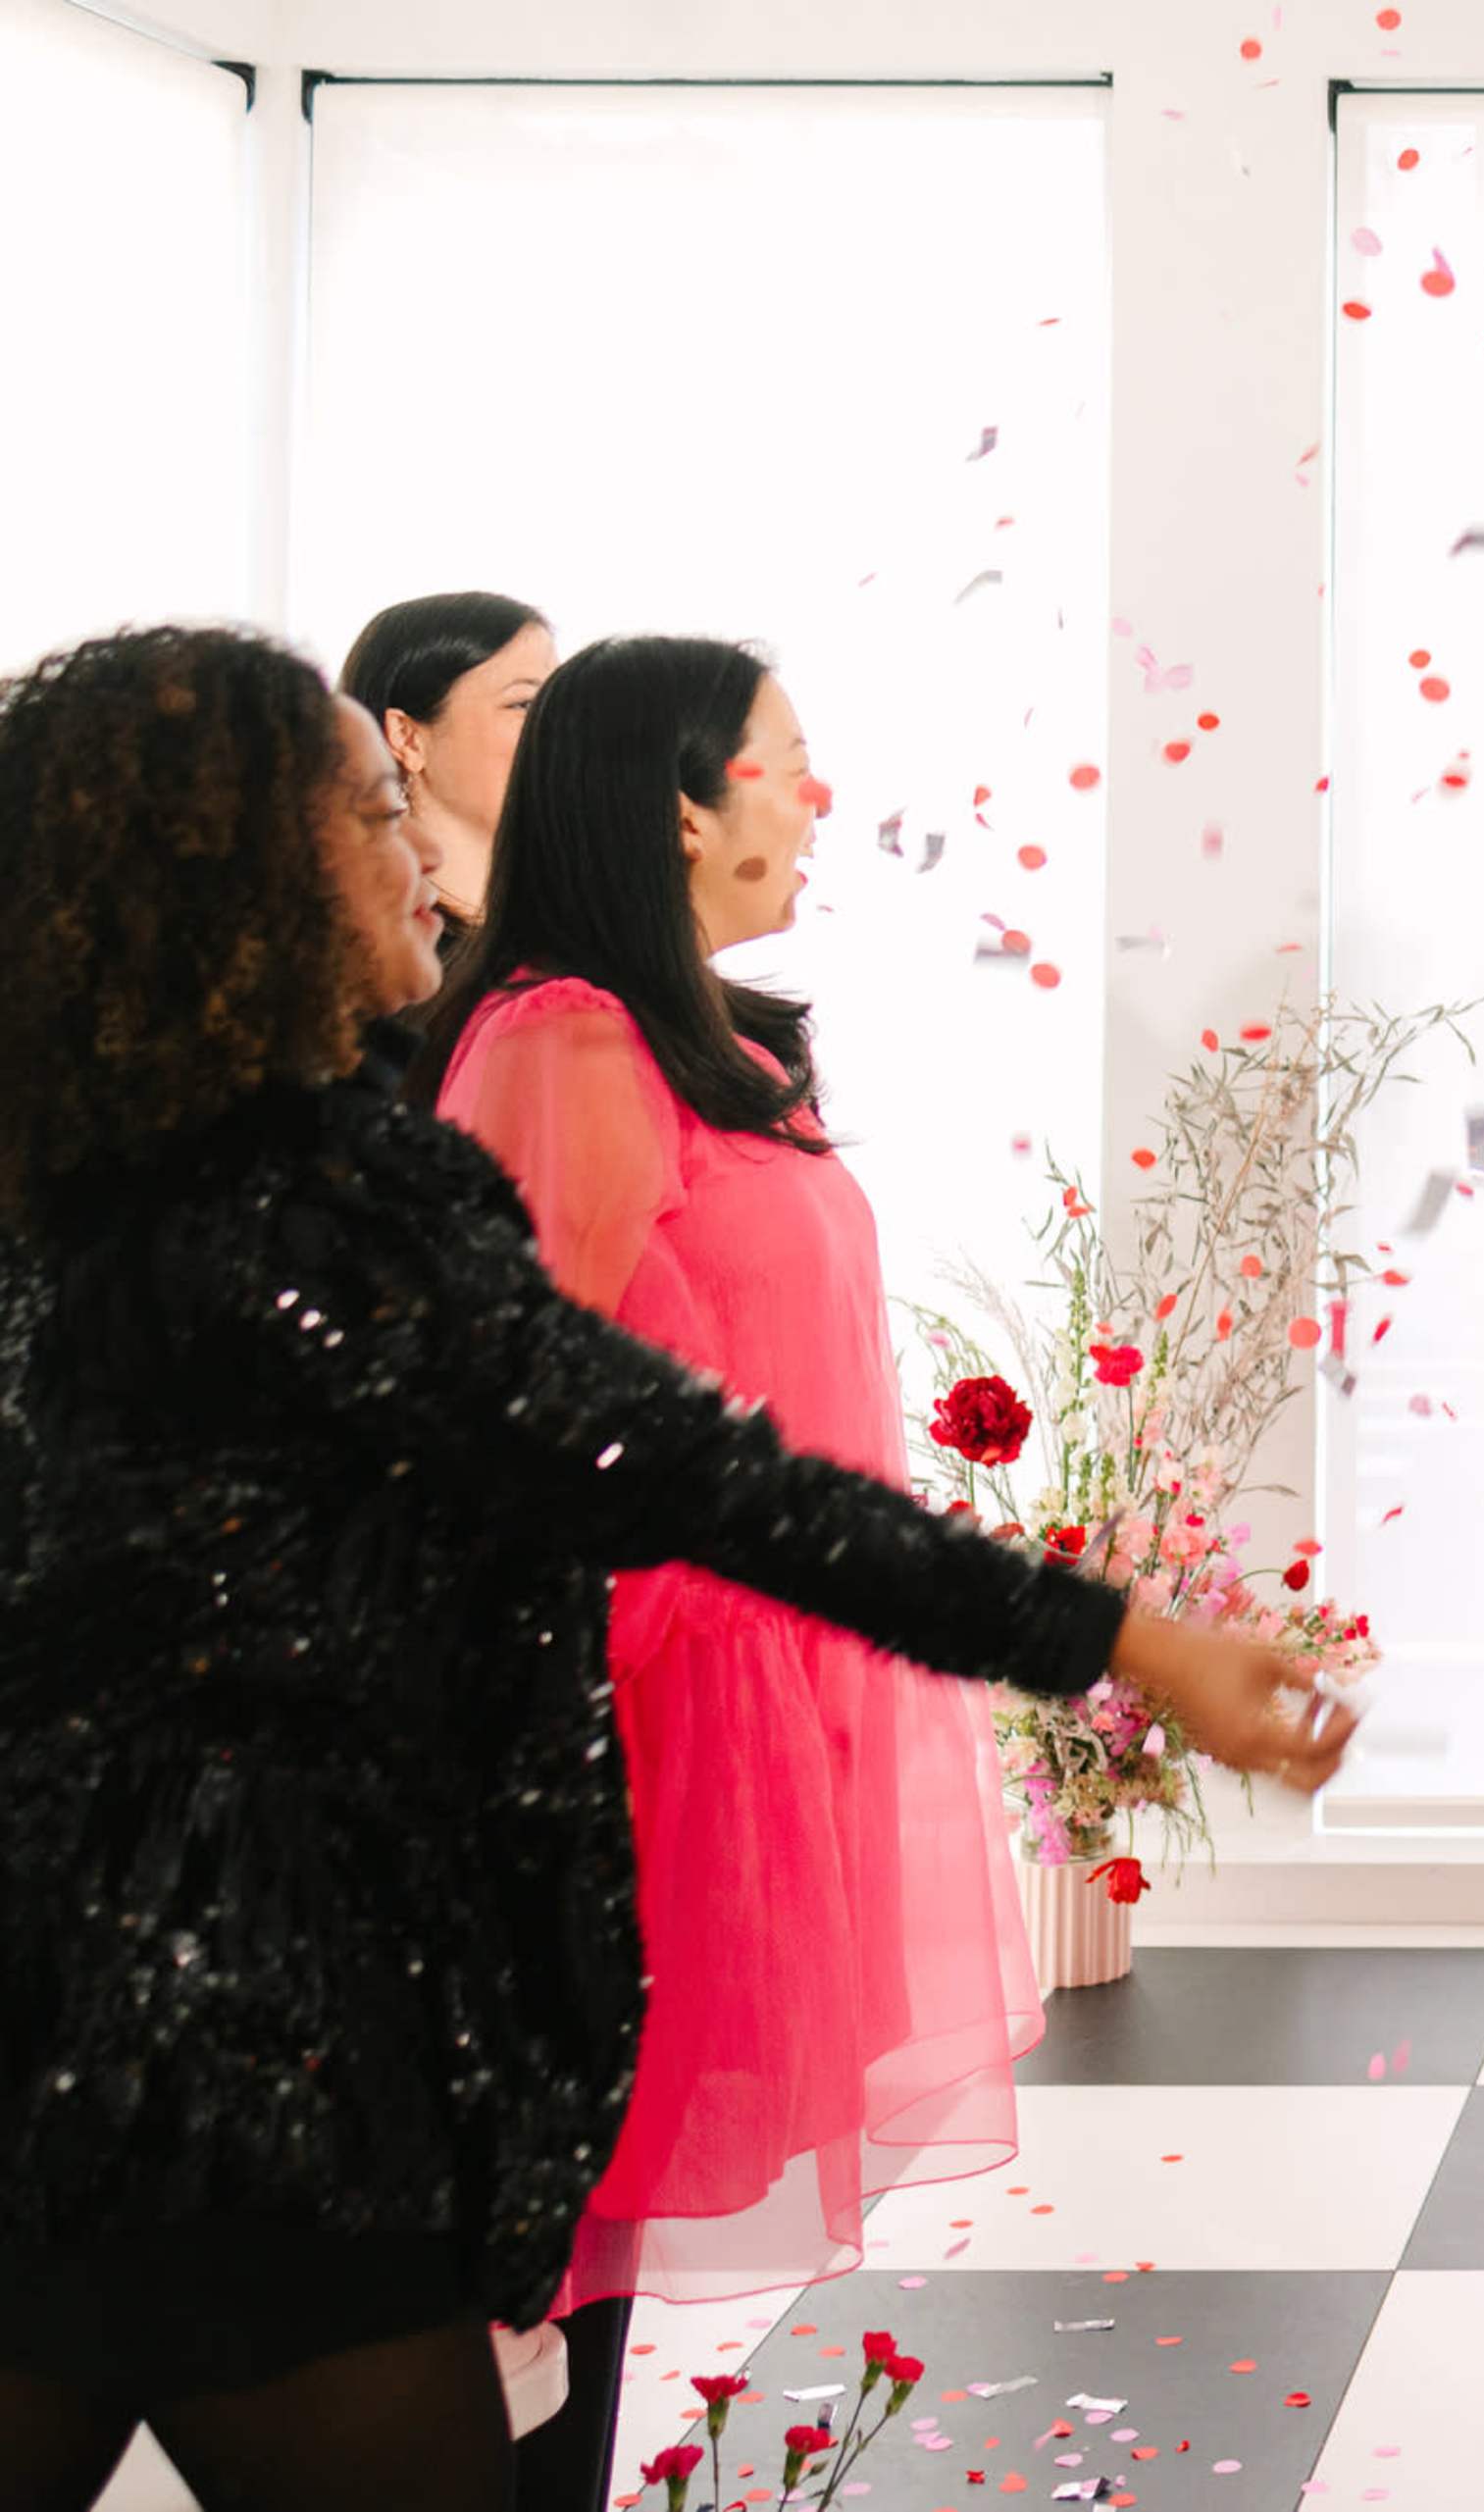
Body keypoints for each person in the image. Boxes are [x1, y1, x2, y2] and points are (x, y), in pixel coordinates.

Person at [0, 624, 1347, 2512]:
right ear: (243, 874)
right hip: (250, 2047)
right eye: (380, 810)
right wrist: (1122, 1639)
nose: (422, 857)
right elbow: (694, 1472)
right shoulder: (323, 1209)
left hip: (82, 2009)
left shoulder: (102, 1211)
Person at [399, 636, 1078, 2503]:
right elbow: (521, 1418)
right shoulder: (561, 1039)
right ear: (683, 804)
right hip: (632, 1720)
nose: (821, 794)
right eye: (789, 761)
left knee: (594, 2245)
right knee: (553, 2235)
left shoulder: (699, 1027)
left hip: (750, 1690)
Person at [338, 590, 553, 965]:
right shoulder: (374, 969)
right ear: (407, 737)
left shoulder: (578, 941)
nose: (559, 729)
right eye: (524, 704)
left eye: (560, 701)